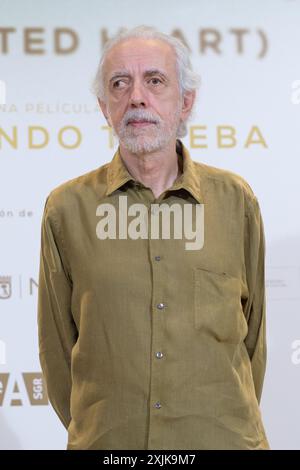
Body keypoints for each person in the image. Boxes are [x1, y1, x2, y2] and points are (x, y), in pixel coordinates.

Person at [37, 25, 269, 450]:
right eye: (119, 84)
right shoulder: (65, 210)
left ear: (186, 102)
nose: (137, 97)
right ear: (104, 107)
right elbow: (58, 352)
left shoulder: (236, 201)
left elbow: (252, 341)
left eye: (155, 81)